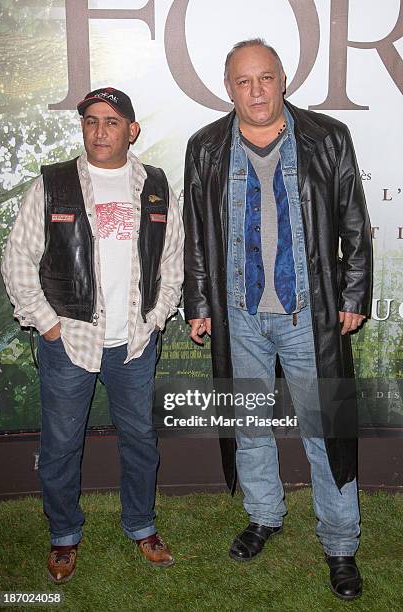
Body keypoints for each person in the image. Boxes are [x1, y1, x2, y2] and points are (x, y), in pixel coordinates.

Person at [183, 40, 372, 600]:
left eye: (265, 78)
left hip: (308, 314)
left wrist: (354, 292)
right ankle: (264, 515)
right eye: (244, 81)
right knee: (250, 428)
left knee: (325, 429)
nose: (257, 91)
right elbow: (197, 235)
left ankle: (340, 543)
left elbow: (355, 224)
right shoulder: (206, 147)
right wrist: (199, 304)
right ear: (228, 87)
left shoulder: (327, 138)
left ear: (283, 78)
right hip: (237, 314)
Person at [2, 87, 184, 582]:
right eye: (90, 121)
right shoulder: (53, 185)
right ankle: (63, 535)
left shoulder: (157, 186)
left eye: (111, 121)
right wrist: (50, 324)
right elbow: (18, 260)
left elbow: (172, 264)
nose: (99, 130)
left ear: (132, 129)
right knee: (61, 446)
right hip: (70, 343)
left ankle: (142, 525)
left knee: (141, 441)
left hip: (135, 344)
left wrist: (157, 316)